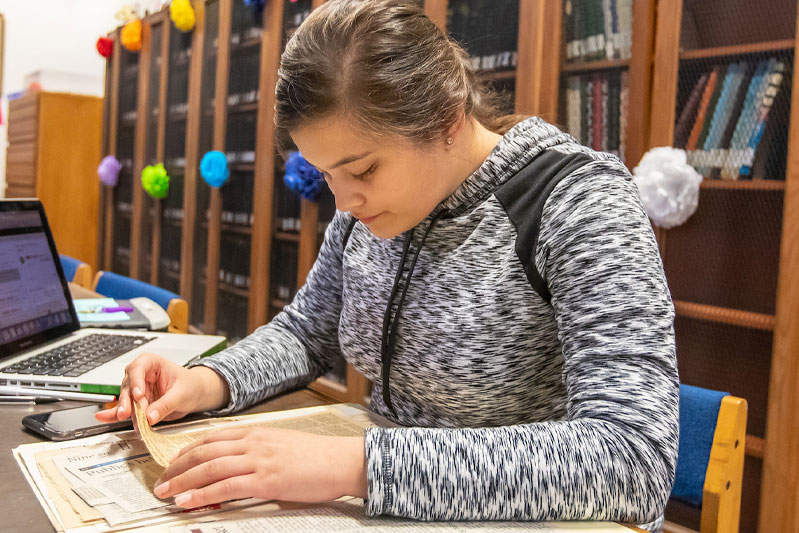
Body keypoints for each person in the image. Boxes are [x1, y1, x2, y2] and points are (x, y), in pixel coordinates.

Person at [97, 0, 678, 530]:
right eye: (325, 173)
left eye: (364, 170)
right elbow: (306, 333)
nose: (343, 202)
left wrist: (359, 465)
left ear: (449, 119)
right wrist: (208, 381)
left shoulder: (579, 204)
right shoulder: (367, 211)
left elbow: (633, 458)